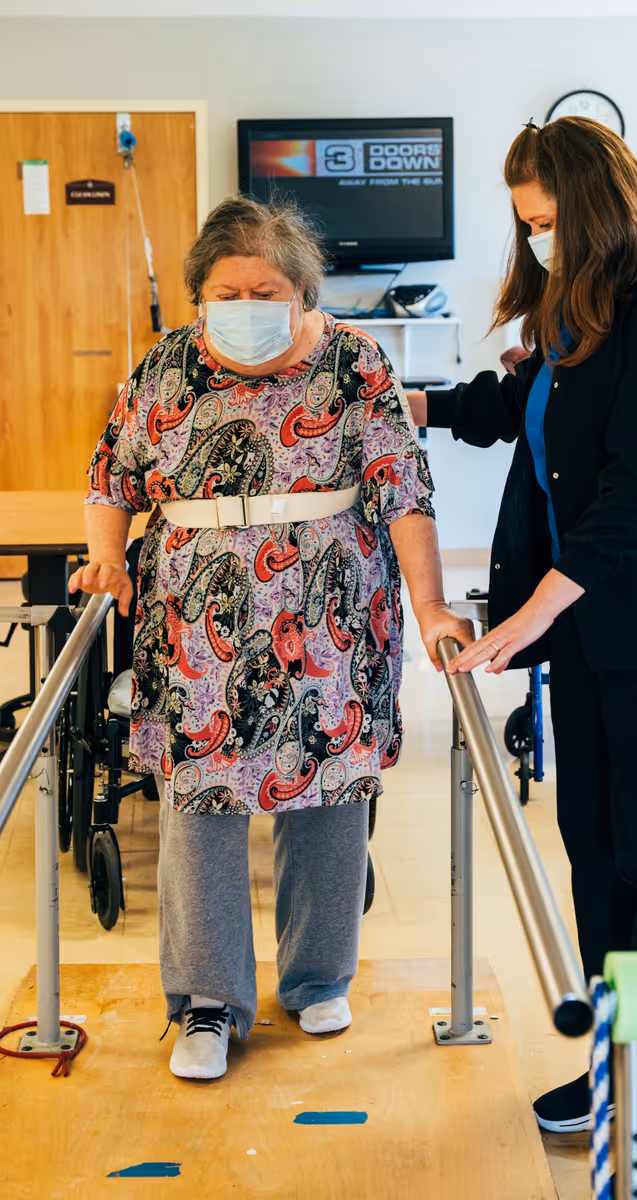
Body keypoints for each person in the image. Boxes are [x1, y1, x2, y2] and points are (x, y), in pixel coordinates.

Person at [407, 117, 637, 1200]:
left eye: (550, 220)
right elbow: (520, 411)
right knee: (595, 854)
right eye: (527, 226)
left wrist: (531, 614)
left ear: (601, 199)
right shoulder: (576, 310)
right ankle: (618, 1072)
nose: (540, 242)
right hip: (593, 631)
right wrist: (405, 407)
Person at [71, 196, 473, 1081]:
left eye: (265, 290)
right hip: (195, 627)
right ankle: (208, 1004)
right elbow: (112, 476)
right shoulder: (165, 367)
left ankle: (319, 977)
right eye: (226, 291)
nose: (244, 305)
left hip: (330, 613)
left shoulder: (352, 362)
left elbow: (404, 491)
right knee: (201, 807)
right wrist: (106, 557)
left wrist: (434, 606)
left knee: (330, 793)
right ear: (197, 296)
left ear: (302, 294)